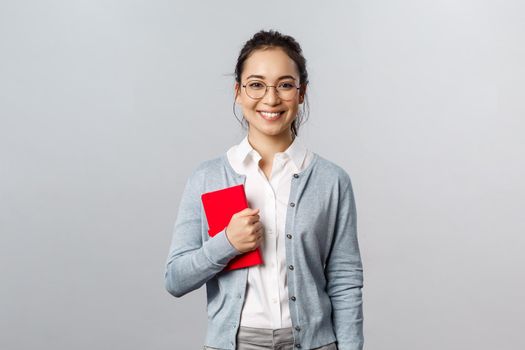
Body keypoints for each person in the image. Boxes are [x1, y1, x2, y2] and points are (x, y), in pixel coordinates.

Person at [164, 29, 364, 350]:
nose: (271, 99)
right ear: (238, 92)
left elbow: (345, 281)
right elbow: (175, 279)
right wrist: (226, 243)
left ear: (301, 93)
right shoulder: (208, 177)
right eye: (256, 85)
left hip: (315, 343)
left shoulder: (331, 180)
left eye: (285, 85)